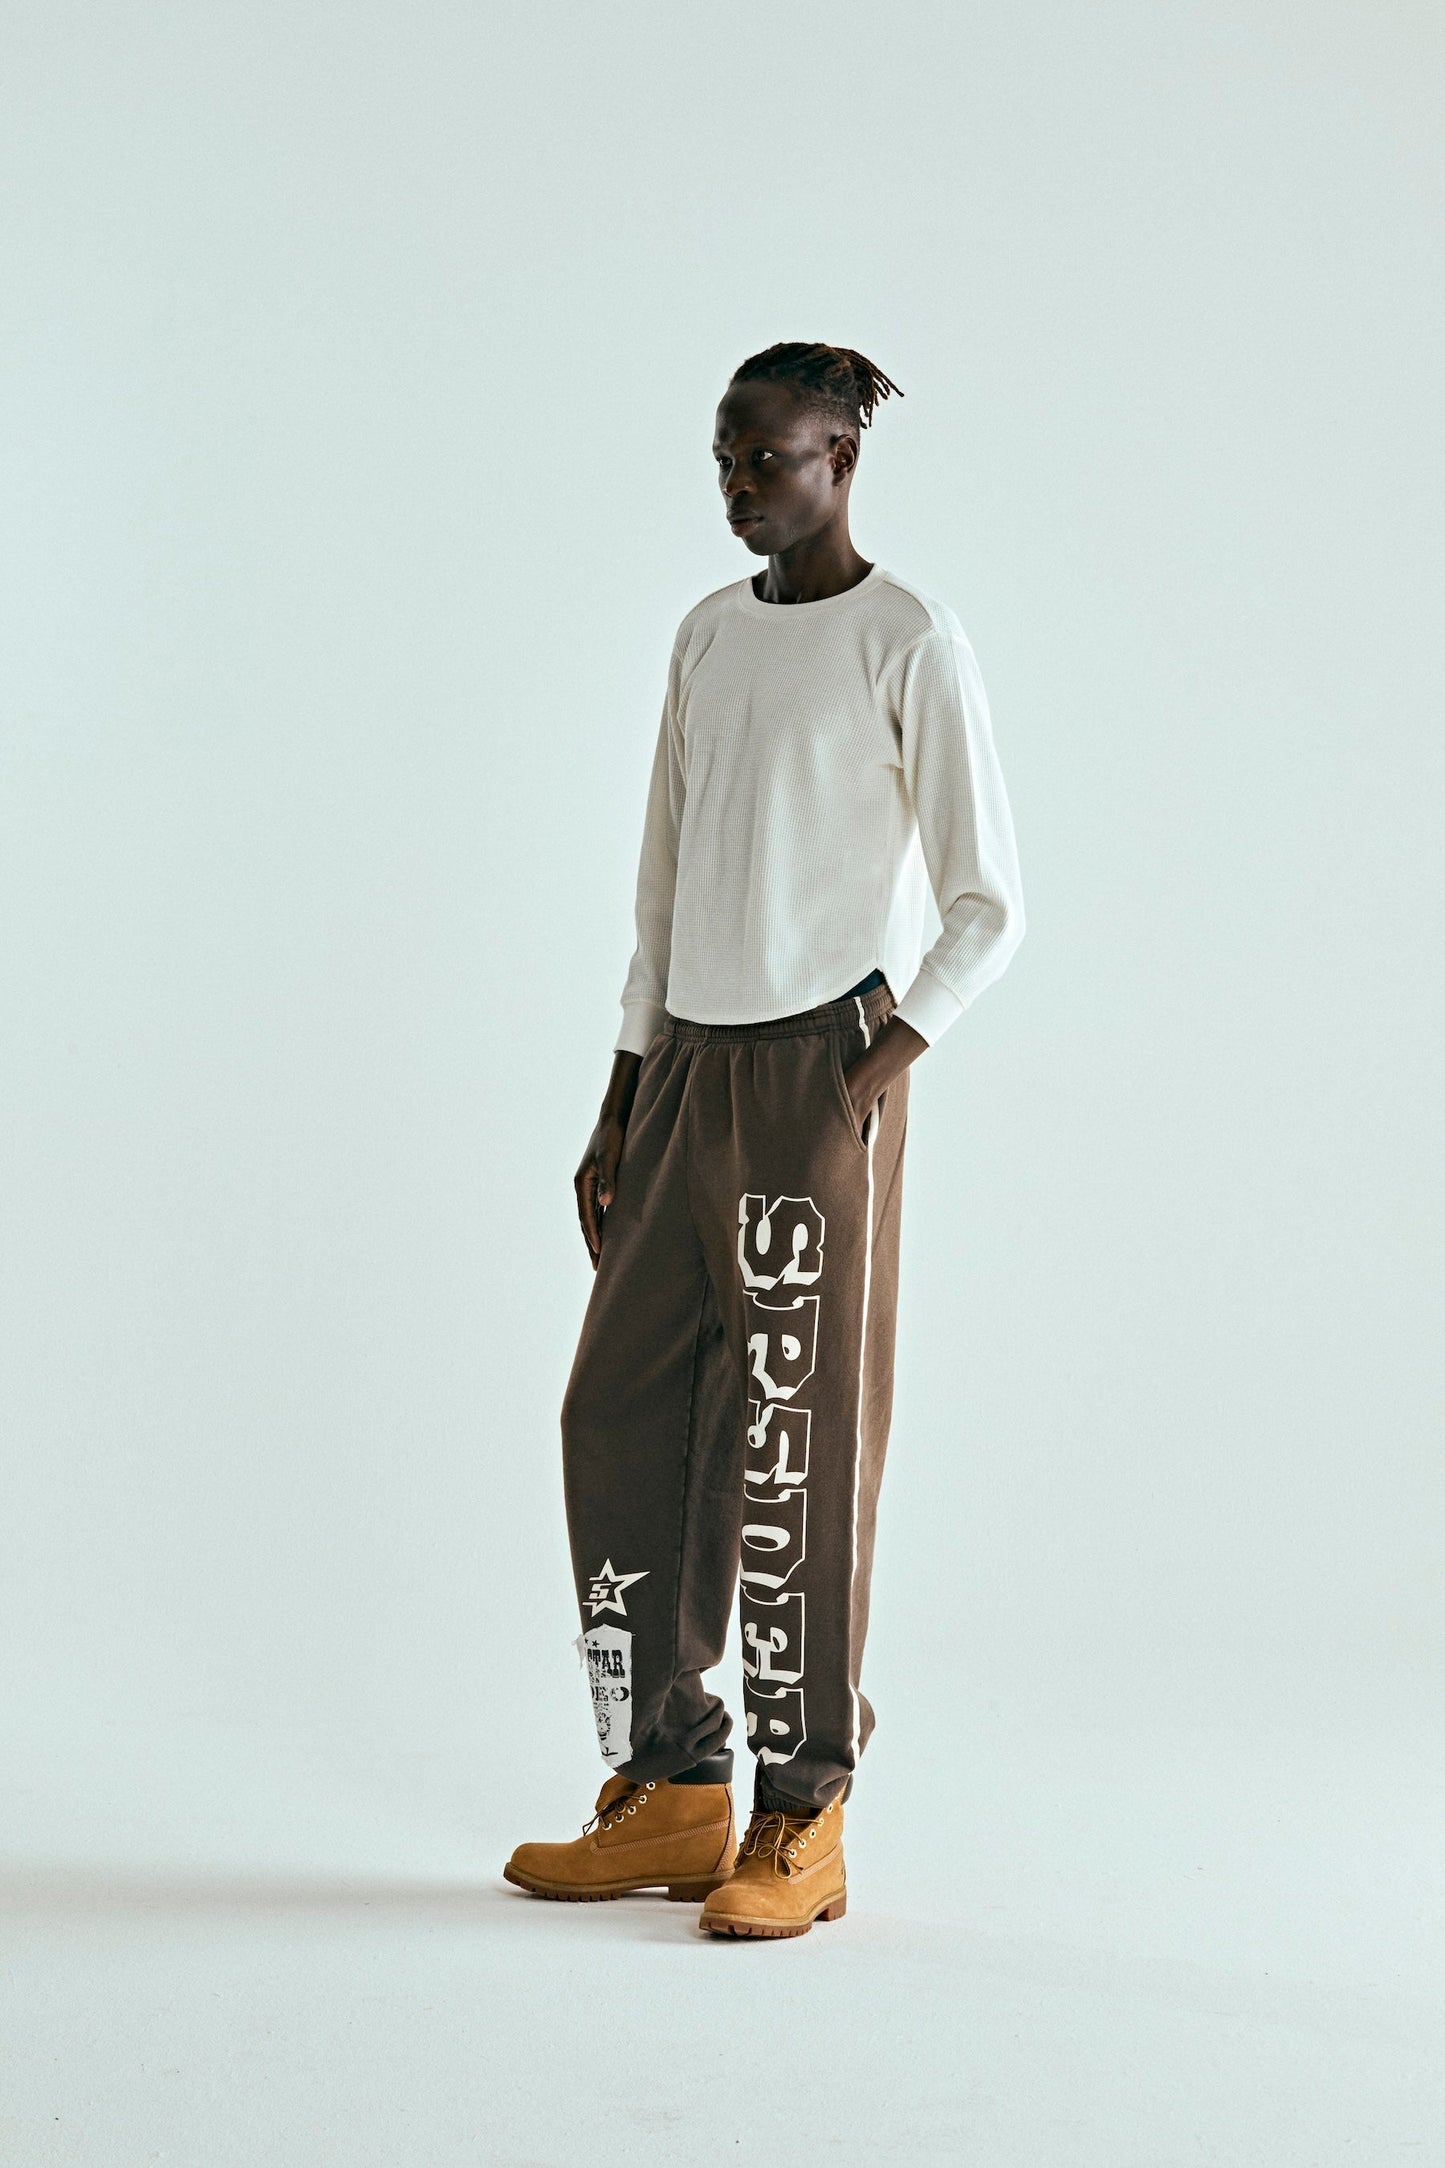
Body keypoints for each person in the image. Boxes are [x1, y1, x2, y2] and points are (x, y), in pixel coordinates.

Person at [503, 341, 1026, 1938]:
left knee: (795, 1438)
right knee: (619, 1413)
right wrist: (619, 1094)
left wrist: (871, 1075)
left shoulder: (907, 637)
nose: (737, 487)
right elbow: (659, 888)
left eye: (766, 460)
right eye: (723, 461)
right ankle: (670, 1786)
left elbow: (988, 903)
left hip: (816, 1064)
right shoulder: (707, 637)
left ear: (839, 459)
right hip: (681, 1070)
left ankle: (804, 1813)